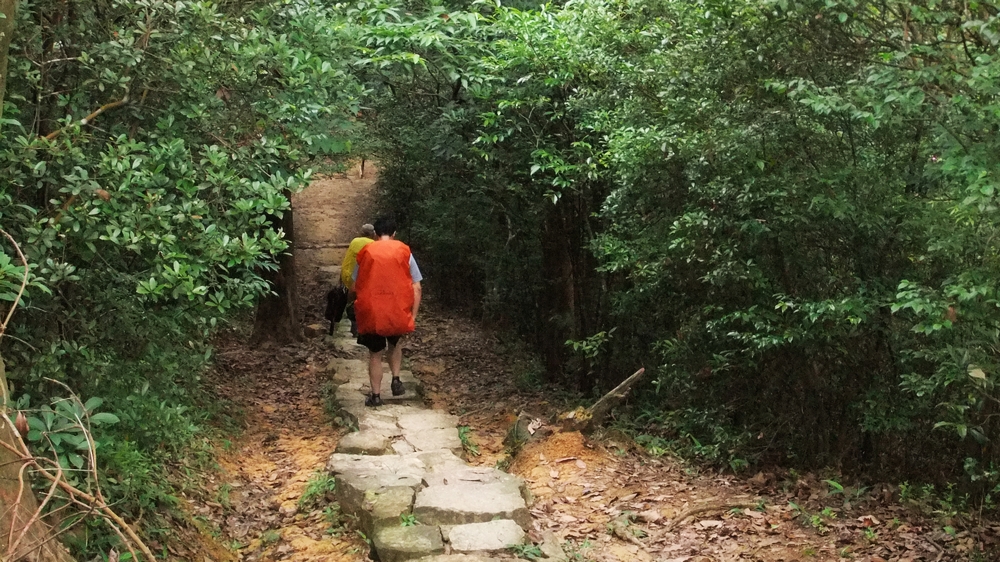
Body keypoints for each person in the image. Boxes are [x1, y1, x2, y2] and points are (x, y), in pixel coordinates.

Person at [350, 216, 422, 407]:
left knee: (375, 354)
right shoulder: (404, 251)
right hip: (397, 309)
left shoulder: (366, 251)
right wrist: (412, 315)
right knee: (395, 343)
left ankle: (375, 396)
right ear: (394, 233)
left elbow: (355, 284)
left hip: (373, 311)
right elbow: (417, 286)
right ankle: (396, 379)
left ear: (374, 234)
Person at [340, 223, 376, 336]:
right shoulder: (373, 244)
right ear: (373, 234)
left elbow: (348, 260)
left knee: (352, 301)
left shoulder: (355, 242)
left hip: (349, 277)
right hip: (364, 280)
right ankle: (362, 326)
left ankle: (354, 324)